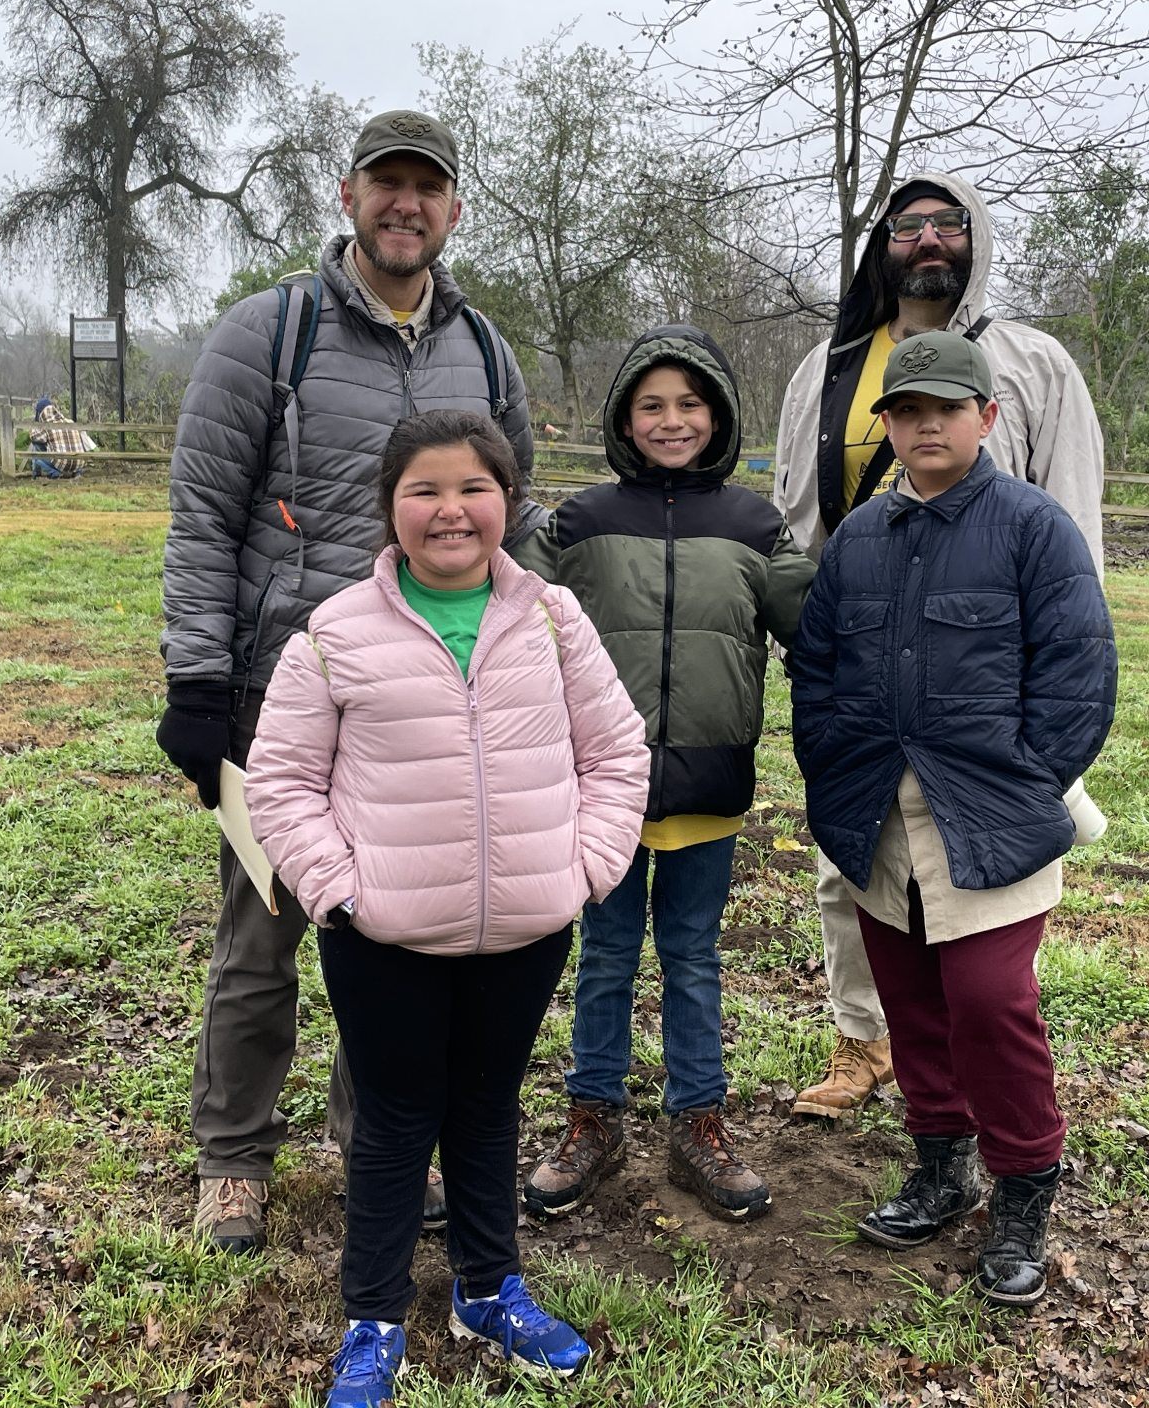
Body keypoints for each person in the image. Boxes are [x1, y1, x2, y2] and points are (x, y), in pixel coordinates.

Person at [157, 110, 539, 1252]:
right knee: (260, 937)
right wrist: (195, 680)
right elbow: (200, 521)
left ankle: (376, 1137)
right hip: (282, 697)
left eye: (428, 187)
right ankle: (232, 1157)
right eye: (386, 184)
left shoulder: (487, 353)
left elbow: (504, 527)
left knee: (399, 947)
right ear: (347, 195)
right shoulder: (264, 335)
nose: (405, 205)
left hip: (429, 706)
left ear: (454, 208)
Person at [246, 410, 649, 1408]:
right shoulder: (337, 637)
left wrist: (583, 870)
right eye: (424, 489)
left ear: (505, 501)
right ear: (391, 506)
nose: (450, 510)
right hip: (384, 937)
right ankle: (374, 1314)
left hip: (525, 928)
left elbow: (616, 753)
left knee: (484, 1105)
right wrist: (337, 888)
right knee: (391, 1120)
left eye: (471, 487)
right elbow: (281, 780)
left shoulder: (553, 619)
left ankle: (486, 1287)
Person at [790, 330, 1115, 1306]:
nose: (925, 424)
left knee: (986, 1003)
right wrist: (831, 768)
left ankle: (1021, 1189)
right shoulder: (857, 538)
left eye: (946, 408)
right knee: (910, 1006)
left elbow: (1078, 675)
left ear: (987, 417)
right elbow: (815, 670)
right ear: (884, 425)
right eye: (905, 410)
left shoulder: (1031, 528)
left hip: (992, 820)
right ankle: (940, 1165)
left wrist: (1024, 782)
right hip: (876, 820)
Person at [773, 170, 1107, 1118]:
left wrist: (1045, 699)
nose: (926, 238)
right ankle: (862, 1042)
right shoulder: (829, 366)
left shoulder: (1032, 363)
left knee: (975, 888)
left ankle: (988, 1087)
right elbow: (798, 515)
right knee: (855, 868)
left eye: (946, 223)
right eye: (906, 224)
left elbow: (1069, 532)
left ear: (977, 237)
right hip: (856, 652)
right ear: (883, 244)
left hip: (981, 670)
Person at [516, 326, 814, 1224]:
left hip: (710, 787)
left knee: (691, 958)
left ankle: (699, 1123)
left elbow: (825, 620)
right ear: (623, 416)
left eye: (690, 404)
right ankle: (592, 1117)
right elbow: (509, 621)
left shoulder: (757, 525)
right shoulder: (577, 524)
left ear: (718, 414)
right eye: (652, 404)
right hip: (600, 791)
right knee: (605, 956)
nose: (672, 420)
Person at [29, 398, 97, 478]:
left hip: (62, 464)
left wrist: (35, 427)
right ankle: (77, 472)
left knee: (36, 453)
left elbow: (33, 437)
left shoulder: (47, 426)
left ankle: (50, 473)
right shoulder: (70, 422)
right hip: (79, 462)